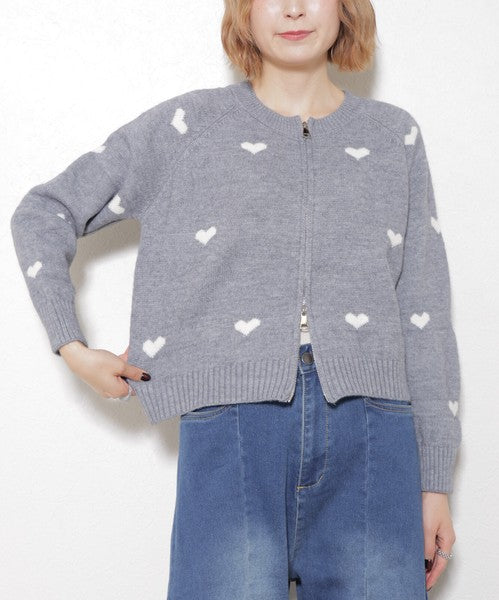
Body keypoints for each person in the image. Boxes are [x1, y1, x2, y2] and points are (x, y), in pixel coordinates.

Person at [10, 0, 461, 597]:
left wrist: (434, 483)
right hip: (232, 431)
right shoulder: (188, 128)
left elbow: (425, 313)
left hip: (375, 438)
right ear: (244, 11)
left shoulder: (393, 136)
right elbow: (44, 212)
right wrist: (71, 345)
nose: (294, 9)